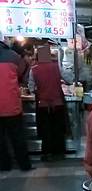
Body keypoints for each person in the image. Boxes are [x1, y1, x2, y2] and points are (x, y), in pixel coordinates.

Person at [0, 32, 33, 171]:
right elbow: (21, 75)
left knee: (0, 140)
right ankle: (24, 165)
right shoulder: (14, 56)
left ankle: (4, 165)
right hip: (12, 105)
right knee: (18, 137)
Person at [29, 45, 66, 161]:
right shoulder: (57, 67)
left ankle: (47, 153)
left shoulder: (34, 69)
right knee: (58, 129)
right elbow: (68, 78)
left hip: (43, 104)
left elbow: (31, 87)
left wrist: (37, 90)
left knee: (45, 130)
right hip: (58, 103)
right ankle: (59, 153)